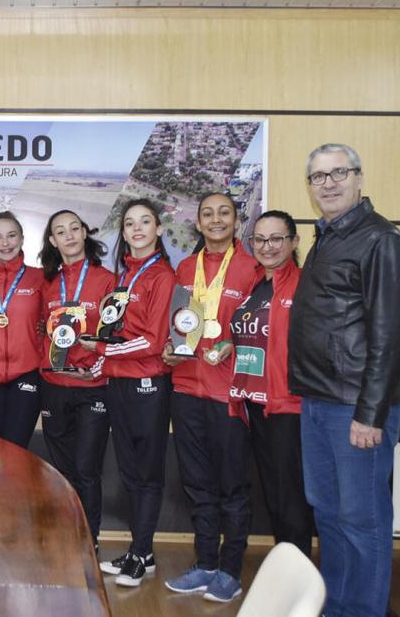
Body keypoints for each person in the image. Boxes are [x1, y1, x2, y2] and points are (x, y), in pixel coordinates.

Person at [289, 143, 400, 617]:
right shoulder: (329, 236)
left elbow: (392, 338)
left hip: (355, 408)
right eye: (318, 177)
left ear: (359, 177)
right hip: (319, 401)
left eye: (339, 173)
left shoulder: (382, 240)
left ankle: (364, 610)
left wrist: (371, 413)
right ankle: (336, 605)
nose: (329, 184)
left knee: (364, 521)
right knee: (329, 514)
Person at [162, 191, 260, 603]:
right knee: (198, 484)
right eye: (208, 214)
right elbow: (178, 325)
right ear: (197, 224)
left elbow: (259, 332)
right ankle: (204, 564)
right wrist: (170, 351)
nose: (216, 220)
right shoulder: (185, 267)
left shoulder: (254, 268)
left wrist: (232, 351)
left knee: (232, 487)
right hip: (186, 388)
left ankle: (230, 571)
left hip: (228, 394)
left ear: (236, 221)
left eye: (224, 213)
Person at [79, 199, 175, 587]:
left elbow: (152, 342)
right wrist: (96, 367)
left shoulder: (161, 276)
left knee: (148, 474)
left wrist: (99, 350)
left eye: (145, 222)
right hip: (119, 383)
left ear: (159, 230)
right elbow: (114, 335)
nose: (137, 229)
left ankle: (140, 551)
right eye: (130, 223)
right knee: (131, 473)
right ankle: (143, 551)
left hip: (147, 385)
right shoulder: (124, 276)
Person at [227, 210, 313, 557]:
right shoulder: (254, 284)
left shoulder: (306, 283)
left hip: (287, 407)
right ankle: (289, 571)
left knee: (290, 499)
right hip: (254, 405)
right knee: (275, 498)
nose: (268, 246)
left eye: (277, 238)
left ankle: (300, 586)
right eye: (260, 239)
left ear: (294, 241)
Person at [37, 209, 115, 552]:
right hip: (53, 386)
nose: (68, 235)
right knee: (62, 470)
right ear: (53, 241)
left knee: (87, 469)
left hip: (91, 388)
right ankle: (67, 533)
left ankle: (90, 540)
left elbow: (115, 335)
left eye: (74, 228)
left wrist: (96, 365)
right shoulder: (48, 282)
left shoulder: (107, 280)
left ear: (85, 233)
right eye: (60, 231)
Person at [0, 211, 45, 447]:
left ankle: (20, 484)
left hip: (27, 372)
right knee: (1, 445)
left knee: (15, 445)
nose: (5, 244)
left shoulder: (39, 277)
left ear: (22, 239)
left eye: (11, 236)